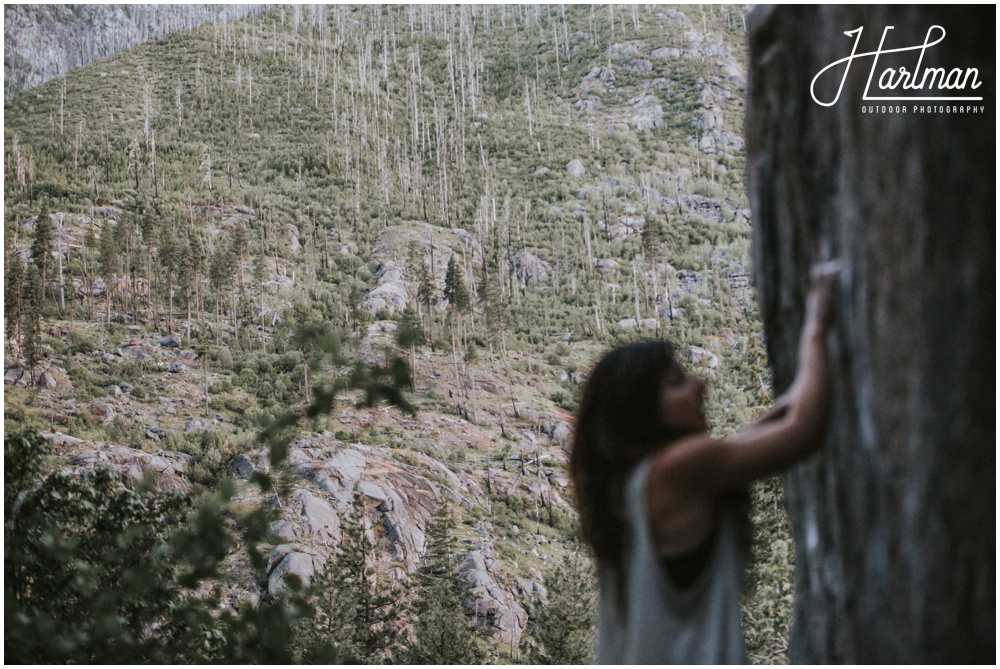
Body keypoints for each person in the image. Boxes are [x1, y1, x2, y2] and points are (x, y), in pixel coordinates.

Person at [569, 262, 839, 664]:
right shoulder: (680, 469)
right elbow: (805, 428)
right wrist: (818, 323)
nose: (700, 384)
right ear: (644, 411)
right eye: (677, 382)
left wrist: (782, 407)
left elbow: (753, 434)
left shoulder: (632, 483)